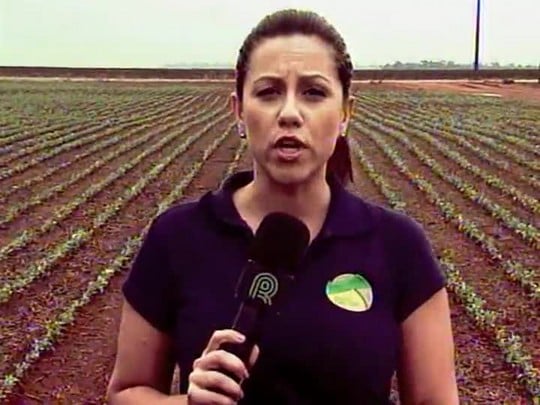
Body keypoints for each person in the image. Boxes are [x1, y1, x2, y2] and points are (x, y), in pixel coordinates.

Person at [106, 8, 459, 405]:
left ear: (345, 113)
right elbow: (126, 392)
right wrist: (188, 402)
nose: (289, 113)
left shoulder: (398, 246)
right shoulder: (177, 238)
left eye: (313, 92)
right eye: (269, 91)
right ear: (239, 111)